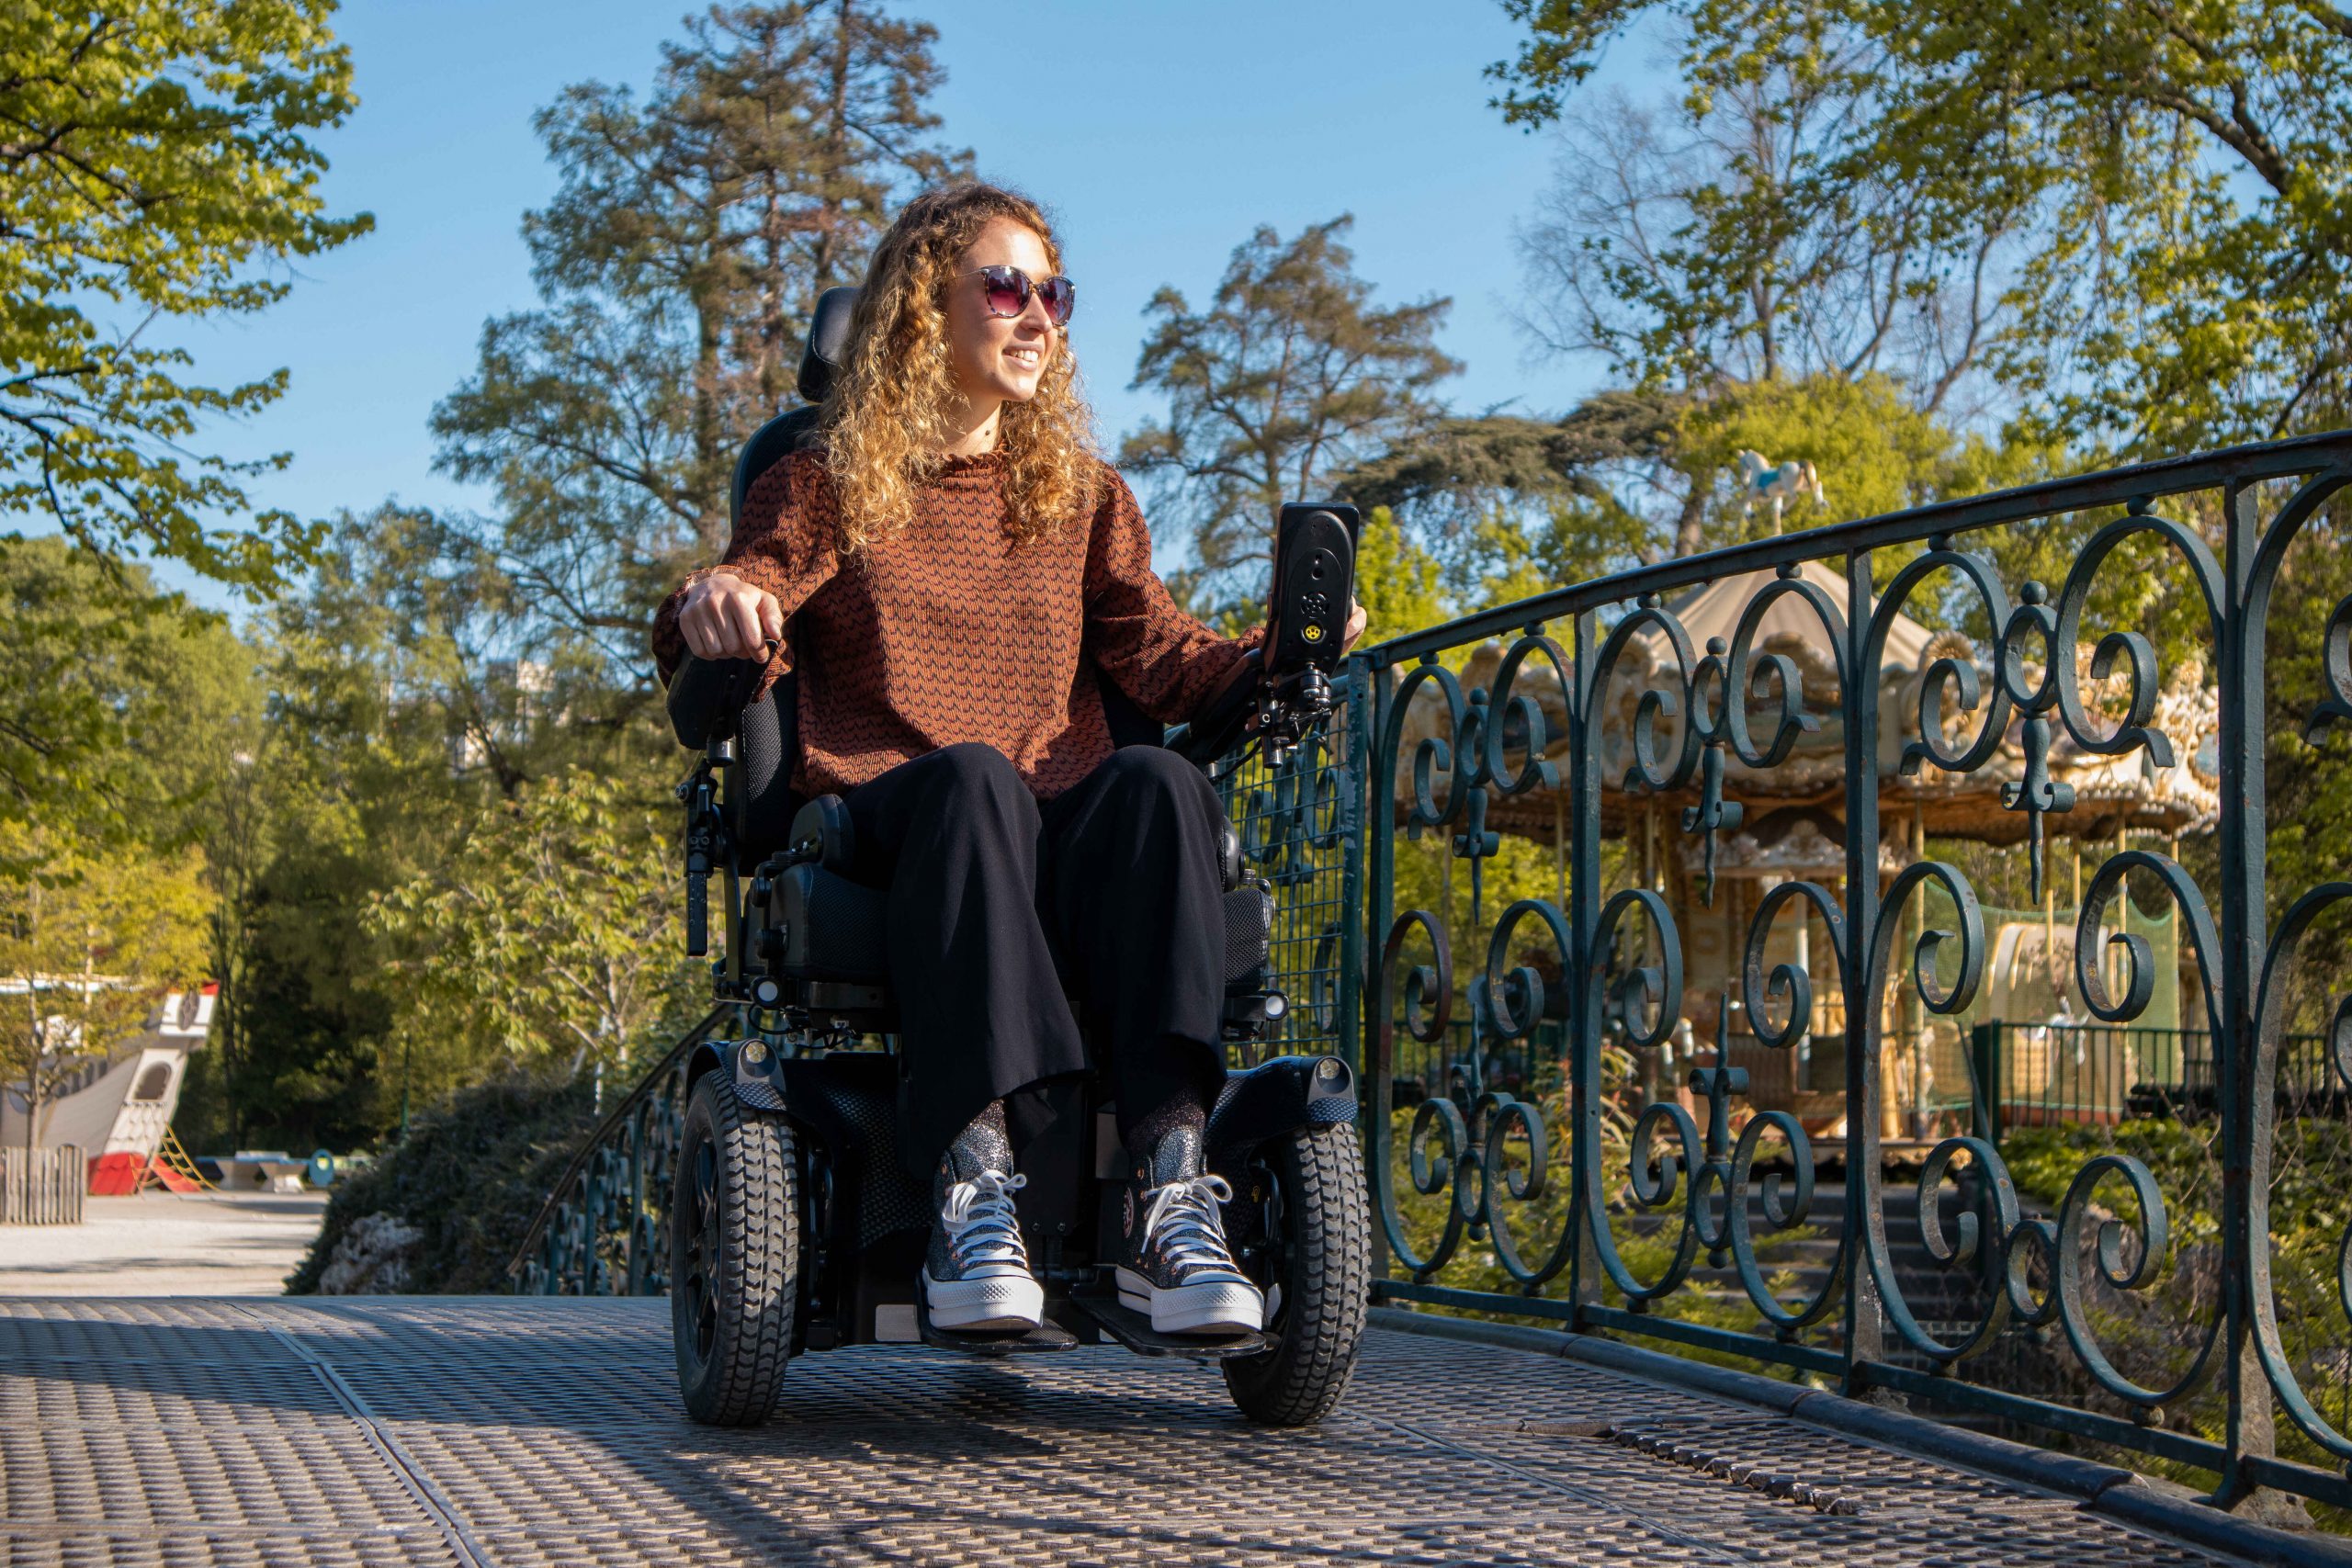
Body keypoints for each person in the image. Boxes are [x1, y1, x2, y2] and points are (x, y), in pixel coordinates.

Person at [651, 183, 1366, 1337]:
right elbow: (748, 587)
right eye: (1004, 288)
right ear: (920, 311)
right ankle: (972, 1190)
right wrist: (715, 601)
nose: (1037, 316)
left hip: (1052, 824)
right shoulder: (826, 480)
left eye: (1054, 295)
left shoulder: (1081, 499)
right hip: (899, 817)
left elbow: (1164, 655)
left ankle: (1170, 1191)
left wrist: (1282, 654)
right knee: (979, 777)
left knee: (1160, 783)